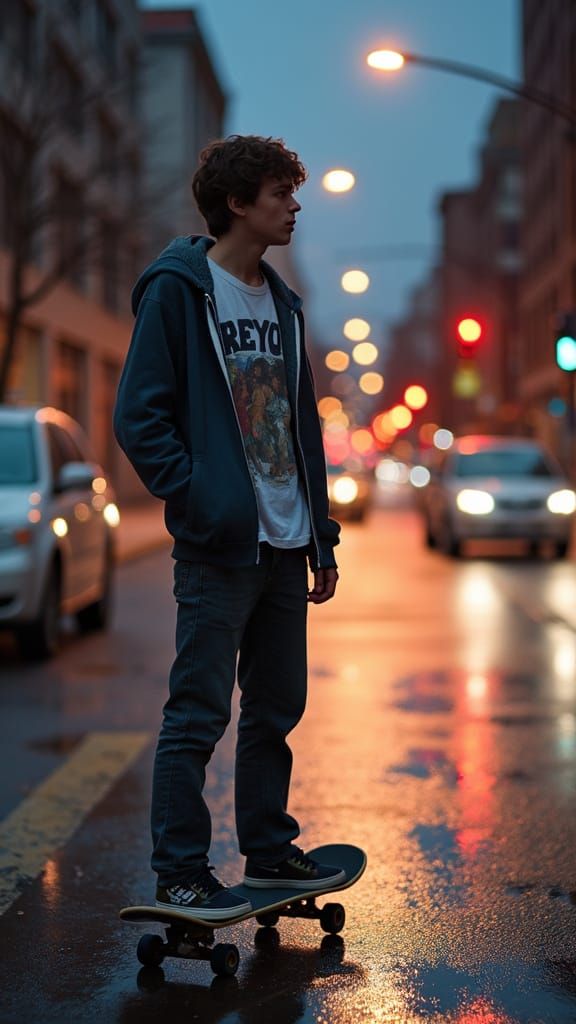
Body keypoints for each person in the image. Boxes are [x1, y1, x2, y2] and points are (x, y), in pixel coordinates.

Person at [113, 135, 342, 922]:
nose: (294, 206)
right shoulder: (180, 289)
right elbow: (139, 418)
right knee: (198, 715)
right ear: (239, 203)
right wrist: (198, 499)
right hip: (220, 548)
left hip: (284, 544)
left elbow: (301, 428)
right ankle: (180, 870)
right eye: (281, 194)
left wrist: (321, 535)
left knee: (275, 710)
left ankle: (269, 849)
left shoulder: (283, 303)